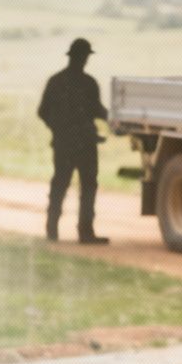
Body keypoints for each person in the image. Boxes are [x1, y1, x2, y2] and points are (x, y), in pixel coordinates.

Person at [37, 37, 109, 244]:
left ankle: (54, 231)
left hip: (70, 143)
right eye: (84, 56)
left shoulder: (58, 81)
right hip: (82, 143)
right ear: (81, 57)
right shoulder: (87, 83)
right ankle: (82, 233)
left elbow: (43, 112)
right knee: (83, 186)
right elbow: (99, 111)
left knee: (64, 185)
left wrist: (58, 130)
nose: (85, 60)